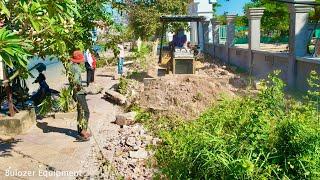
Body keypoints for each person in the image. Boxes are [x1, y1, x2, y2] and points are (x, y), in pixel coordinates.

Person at [70, 50, 91, 141]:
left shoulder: (71, 67)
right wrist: (80, 88)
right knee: (86, 112)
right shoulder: (77, 68)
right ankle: (83, 130)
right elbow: (76, 81)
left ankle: (79, 131)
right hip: (79, 93)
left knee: (80, 112)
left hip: (75, 93)